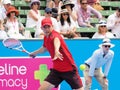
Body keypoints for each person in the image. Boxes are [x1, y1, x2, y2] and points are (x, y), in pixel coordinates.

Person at [29, 18, 84, 90]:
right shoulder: (46, 37)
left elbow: (56, 40)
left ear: (52, 26)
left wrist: (56, 50)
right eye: (45, 27)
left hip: (69, 69)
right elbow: (44, 48)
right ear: (41, 28)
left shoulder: (55, 35)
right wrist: (34, 53)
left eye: (48, 27)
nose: (47, 29)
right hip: (57, 71)